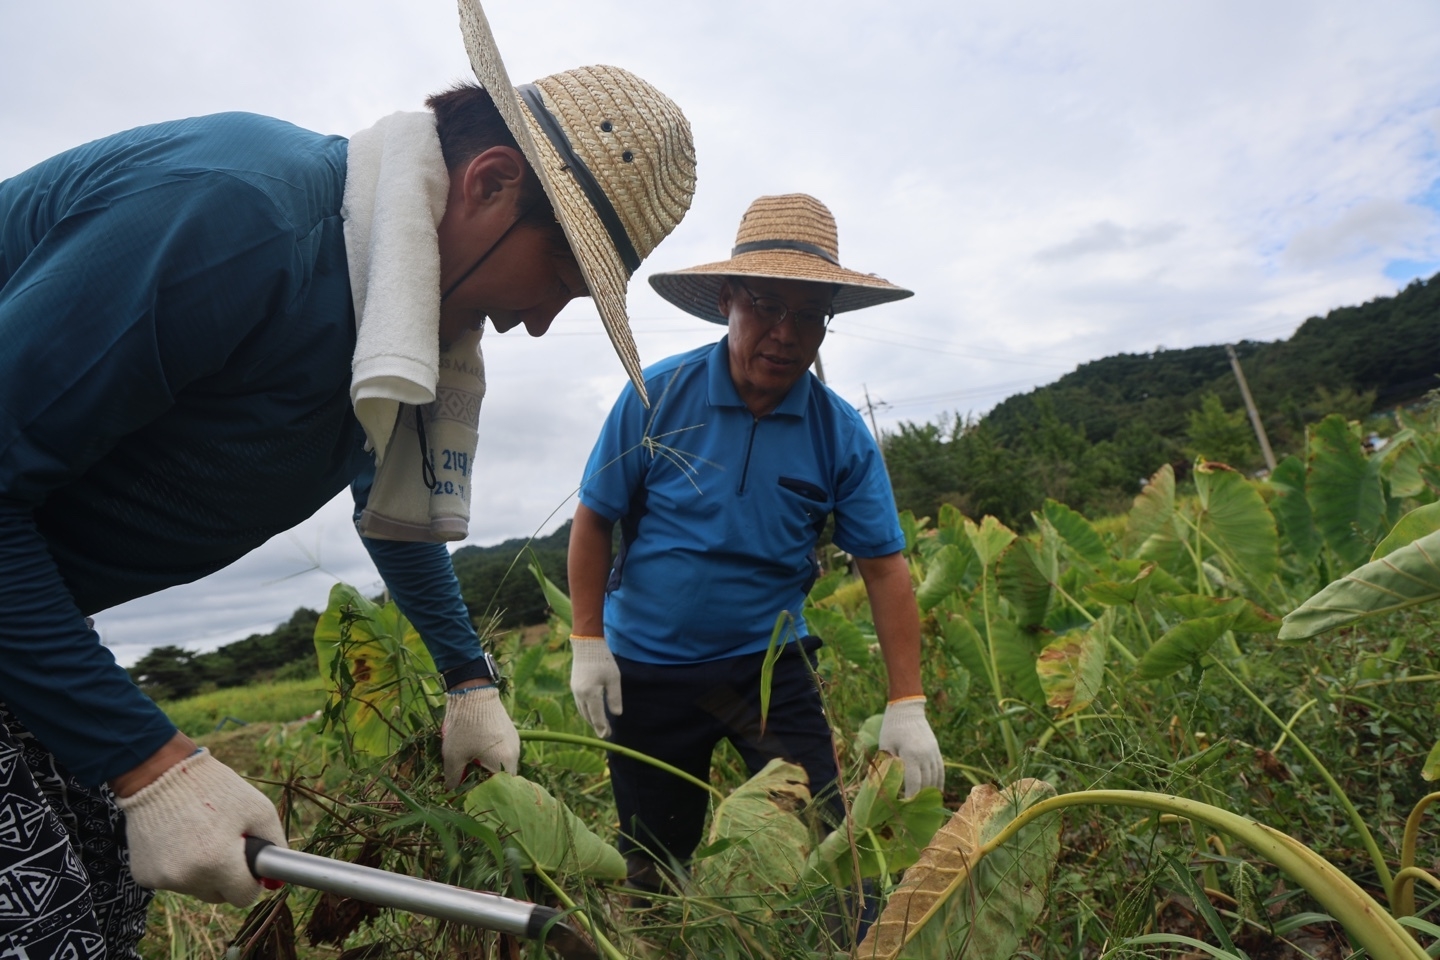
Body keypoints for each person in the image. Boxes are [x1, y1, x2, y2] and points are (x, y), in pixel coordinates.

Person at [0, 0, 696, 953]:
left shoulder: (395, 318)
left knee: (102, 900)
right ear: (489, 184)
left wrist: (467, 680)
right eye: (563, 282)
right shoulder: (239, 216)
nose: (538, 322)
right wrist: (145, 761)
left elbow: (391, 506)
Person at [566, 193, 943, 893]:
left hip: (764, 670)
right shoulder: (657, 398)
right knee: (656, 860)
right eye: (767, 307)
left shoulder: (838, 433)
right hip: (646, 668)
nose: (785, 334)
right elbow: (592, 519)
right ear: (727, 302)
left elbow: (884, 570)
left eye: (807, 315)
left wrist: (907, 703)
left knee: (829, 846)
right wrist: (588, 644)